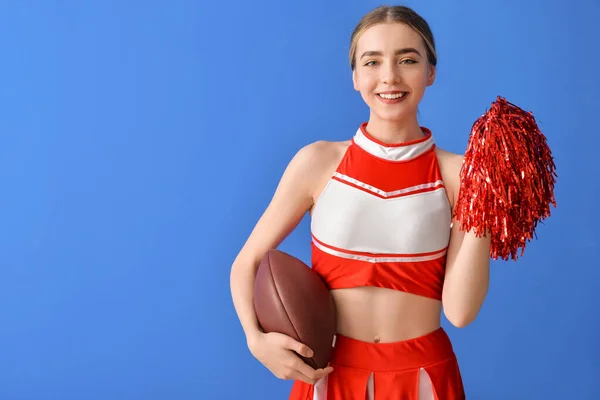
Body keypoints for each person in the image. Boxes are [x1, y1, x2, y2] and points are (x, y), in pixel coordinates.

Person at [230, 5, 491, 399]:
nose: (390, 76)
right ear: (355, 76)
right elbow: (246, 262)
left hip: (423, 378)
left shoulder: (461, 174)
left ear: (430, 72)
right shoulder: (317, 162)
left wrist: (488, 197)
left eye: (408, 59)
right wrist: (255, 340)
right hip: (328, 377)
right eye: (372, 62)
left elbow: (460, 312)